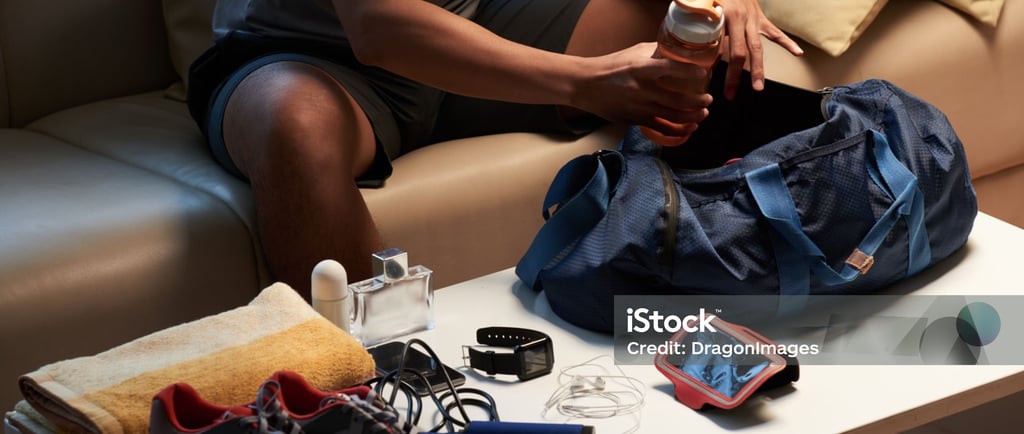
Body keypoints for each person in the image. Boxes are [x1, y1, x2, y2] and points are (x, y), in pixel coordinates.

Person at [187, 0, 803, 296]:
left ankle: (763, 284)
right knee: (296, 130)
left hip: (481, 15)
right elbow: (378, 29)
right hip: (307, 54)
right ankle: (373, 389)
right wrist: (588, 82)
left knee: (689, 35)